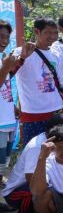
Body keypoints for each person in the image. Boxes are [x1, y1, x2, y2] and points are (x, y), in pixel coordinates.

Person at [1, 114, 63, 213]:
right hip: (16, 191)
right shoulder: (36, 146)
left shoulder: (58, 142)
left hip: (33, 182)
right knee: (37, 191)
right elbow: (31, 181)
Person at [13, 18, 63, 146]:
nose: (52, 36)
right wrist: (23, 58)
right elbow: (7, 76)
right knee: (32, 152)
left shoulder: (56, 53)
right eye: (48, 32)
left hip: (56, 111)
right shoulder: (20, 52)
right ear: (37, 31)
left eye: (55, 33)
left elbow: (60, 82)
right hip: (32, 113)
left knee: (55, 153)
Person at [0, 21, 17, 186]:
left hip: (7, 119)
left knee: (2, 166)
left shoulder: (2, 59)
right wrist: (5, 68)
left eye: (6, 37)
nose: (4, 40)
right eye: (0, 36)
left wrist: (13, 108)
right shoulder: (4, 63)